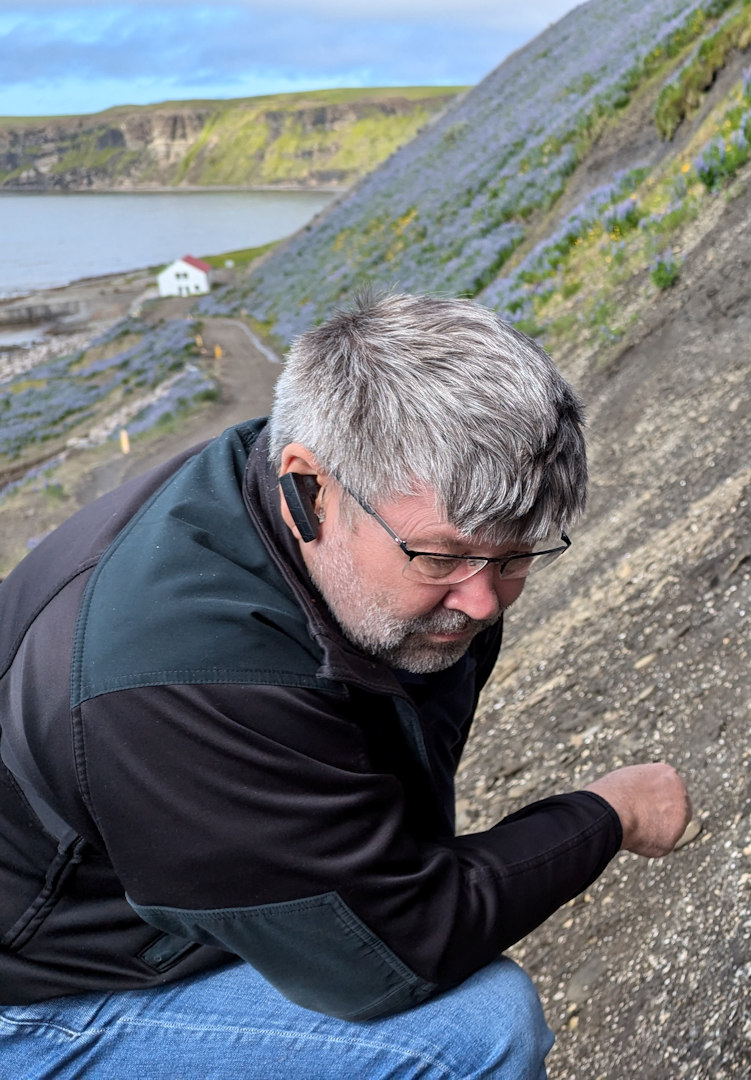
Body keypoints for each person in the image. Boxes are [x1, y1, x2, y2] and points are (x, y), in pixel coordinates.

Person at [0, 294, 690, 1078]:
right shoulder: (188, 678)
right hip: (36, 994)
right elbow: (386, 949)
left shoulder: (332, 537)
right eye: (441, 556)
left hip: (133, 909)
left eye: (516, 557)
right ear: (309, 489)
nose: (483, 601)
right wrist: (609, 812)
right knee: (477, 1033)